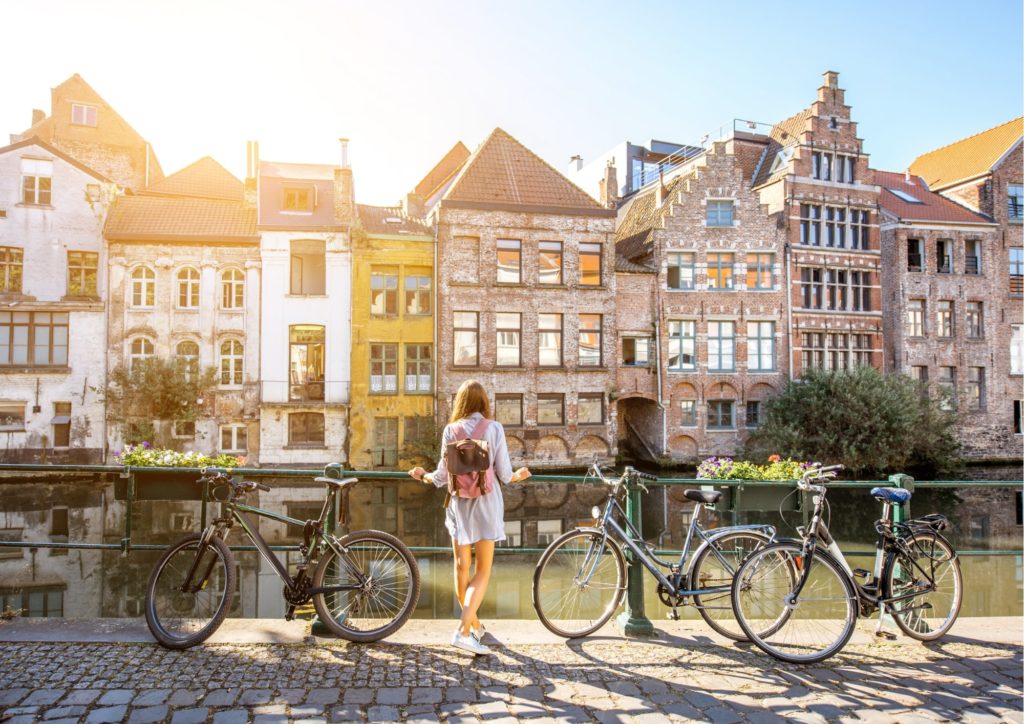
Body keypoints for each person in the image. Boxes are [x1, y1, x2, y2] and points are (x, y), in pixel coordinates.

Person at [408, 379, 530, 655]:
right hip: (487, 504)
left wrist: (422, 475)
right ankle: (464, 630)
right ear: (484, 402)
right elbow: (504, 474)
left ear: (460, 403)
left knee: (461, 568)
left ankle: (474, 626)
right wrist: (519, 475)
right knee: (483, 570)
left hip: (458, 505)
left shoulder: (451, 430)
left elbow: (440, 477)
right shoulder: (494, 428)